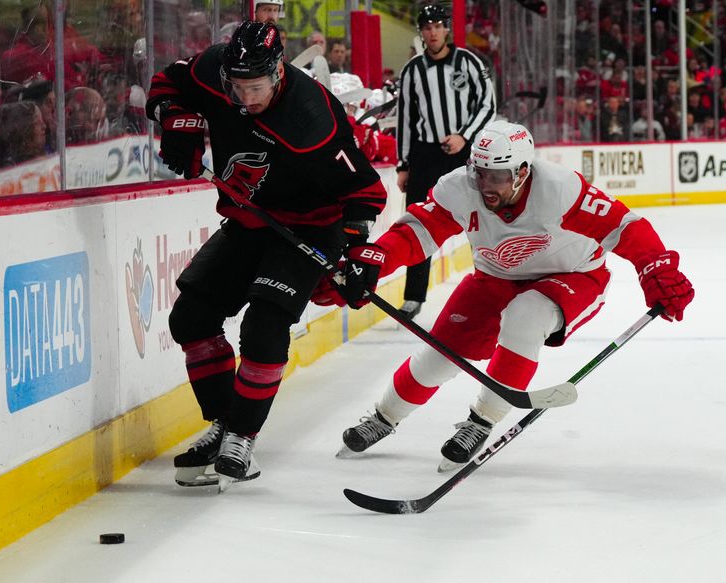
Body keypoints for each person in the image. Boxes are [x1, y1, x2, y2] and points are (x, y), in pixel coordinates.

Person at [313, 120, 693, 469]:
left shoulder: (560, 190)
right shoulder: (460, 187)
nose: (486, 185)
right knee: (441, 356)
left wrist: (655, 266)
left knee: (526, 316)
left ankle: (482, 420)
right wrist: (375, 262)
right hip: (494, 277)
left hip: (572, 276)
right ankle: (384, 417)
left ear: (523, 171)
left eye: (498, 176)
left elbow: (624, 226)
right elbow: (416, 234)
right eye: (480, 173)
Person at [145, 21, 386, 488]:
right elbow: (165, 84)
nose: (244, 98)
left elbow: (364, 191)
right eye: (237, 87)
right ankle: (221, 423)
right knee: (190, 318)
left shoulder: (312, 115)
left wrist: (355, 253)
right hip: (248, 222)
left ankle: (242, 437)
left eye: (255, 87)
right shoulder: (217, 68)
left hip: (308, 229)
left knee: (265, 325)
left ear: (279, 71)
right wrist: (177, 119)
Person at [395, 4, 496, 319]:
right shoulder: (412, 69)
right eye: (427, 27)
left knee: (482, 221)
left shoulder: (468, 62)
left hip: (463, 151)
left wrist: (464, 136)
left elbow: (488, 104)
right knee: (416, 222)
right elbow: (406, 119)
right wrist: (403, 164)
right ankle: (413, 297)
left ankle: (492, 287)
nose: (433, 32)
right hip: (425, 155)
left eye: (438, 26)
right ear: (421, 33)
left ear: (447, 29)